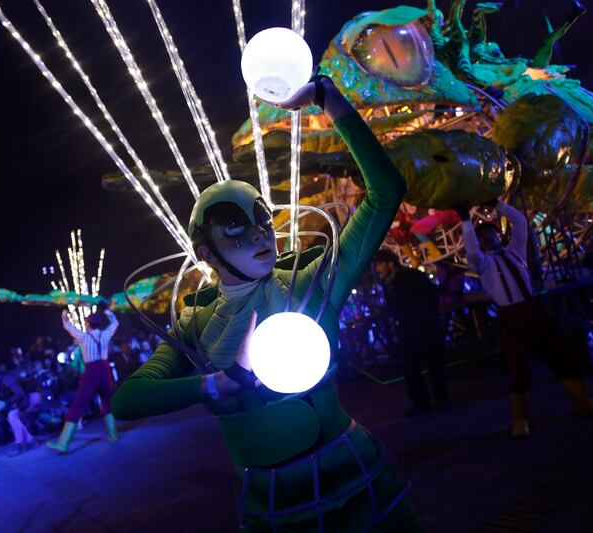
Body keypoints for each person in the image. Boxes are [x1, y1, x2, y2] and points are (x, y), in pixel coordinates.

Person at [112, 77, 422, 531]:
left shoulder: (311, 280)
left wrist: (330, 100)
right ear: (205, 251)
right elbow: (127, 400)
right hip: (273, 507)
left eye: (261, 219)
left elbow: (385, 192)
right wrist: (219, 383)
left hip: (357, 480)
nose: (258, 234)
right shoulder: (194, 324)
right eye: (233, 228)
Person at [456, 199, 593, 437]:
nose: (489, 237)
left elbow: (520, 222)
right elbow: (471, 251)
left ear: (499, 236)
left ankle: (583, 401)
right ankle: (520, 420)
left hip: (532, 309)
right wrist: (466, 221)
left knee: (561, 351)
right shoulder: (483, 264)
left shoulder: (516, 252)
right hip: (510, 316)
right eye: (483, 236)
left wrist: (498, 205)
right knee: (518, 366)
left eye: (492, 233)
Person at [374, 249, 447, 414]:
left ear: (390, 263)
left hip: (425, 327)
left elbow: (432, 296)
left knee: (435, 364)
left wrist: (430, 317)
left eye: (380, 264)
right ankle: (421, 402)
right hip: (407, 330)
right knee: (411, 368)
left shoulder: (413, 277)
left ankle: (440, 397)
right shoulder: (388, 282)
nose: (378, 269)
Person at [47, 304, 120, 453]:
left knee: (79, 403)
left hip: (91, 371)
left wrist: (64, 314)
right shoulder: (106, 334)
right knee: (107, 400)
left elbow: (68, 326)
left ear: (87, 323)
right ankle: (113, 434)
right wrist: (107, 310)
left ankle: (63, 443)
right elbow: (115, 323)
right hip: (105, 370)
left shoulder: (84, 337)